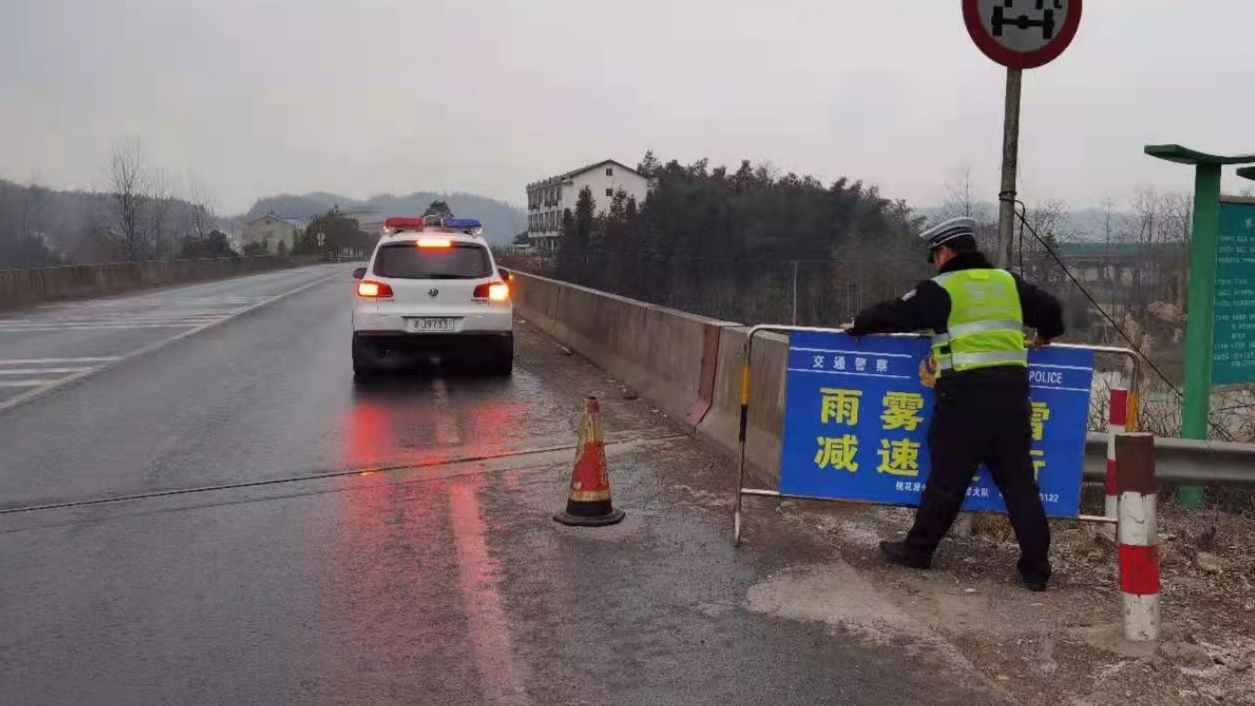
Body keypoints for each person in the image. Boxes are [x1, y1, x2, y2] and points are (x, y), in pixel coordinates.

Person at [844, 217, 1065, 591]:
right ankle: (1036, 570)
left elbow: (896, 312)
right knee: (1019, 484)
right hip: (1012, 397)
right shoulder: (1008, 283)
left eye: (934, 256)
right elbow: (1052, 311)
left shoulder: (941, 288)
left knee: (947, 481)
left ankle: (918, 551)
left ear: (945, 252)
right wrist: (1043, 335)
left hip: (963, 398)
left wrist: (859, 323)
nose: (933, 263)